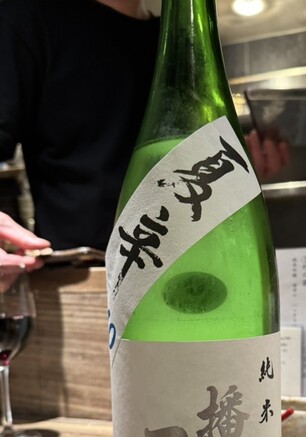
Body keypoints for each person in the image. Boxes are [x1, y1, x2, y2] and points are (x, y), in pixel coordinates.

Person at [0, 0, 288, 269]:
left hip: (186, 267)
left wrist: (235, 169)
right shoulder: (26, 17)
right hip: (78, 277)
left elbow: (186, 174)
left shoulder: (180, 37)